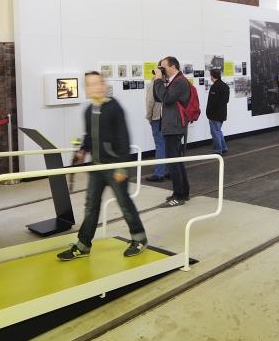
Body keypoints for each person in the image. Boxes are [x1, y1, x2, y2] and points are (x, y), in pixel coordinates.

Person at [57, 72, 147, 261]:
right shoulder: (88, 111)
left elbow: (124, 139)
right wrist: (82, 150)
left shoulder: (115, 108)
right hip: (97, 168)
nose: (96, 87)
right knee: (91, 207)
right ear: (87, 89)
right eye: (91, 84)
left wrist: (122, 167)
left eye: (99, 83)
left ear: (104, 85)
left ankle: (139, 238)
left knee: (124, 203)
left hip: (115, 167)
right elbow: (89, 137)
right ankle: (83, 245)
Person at [152, 56, 190, 207]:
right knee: (177, 161)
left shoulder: (180, 81)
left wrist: (159, 80)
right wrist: (158, 80)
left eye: (164, 68)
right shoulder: (173, 81)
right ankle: (183, 192)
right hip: (171, 125)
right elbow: (159, 97)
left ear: (173, 67)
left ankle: (179, 195)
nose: (162, 71)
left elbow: (166, 98)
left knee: (173, 161)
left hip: (174, 127)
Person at [144, 73, 166, 182]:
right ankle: (171, 171)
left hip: (157, 117)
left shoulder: (155, 83)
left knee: (160, 145)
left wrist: (149, 116)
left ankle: (159, 173)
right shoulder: (170, 82)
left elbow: (150, 101)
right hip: (170, 118)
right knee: (170, 145)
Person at [206, 68, 230, 155]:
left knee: (215, 132)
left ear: (212, 76)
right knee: (218, 131)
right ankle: (223, 147)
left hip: (215, 114)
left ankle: (217, 150)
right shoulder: (225, 86)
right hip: (222, 113)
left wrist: (208, 112)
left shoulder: (215, 87)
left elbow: (212, 102)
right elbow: (226, 100)